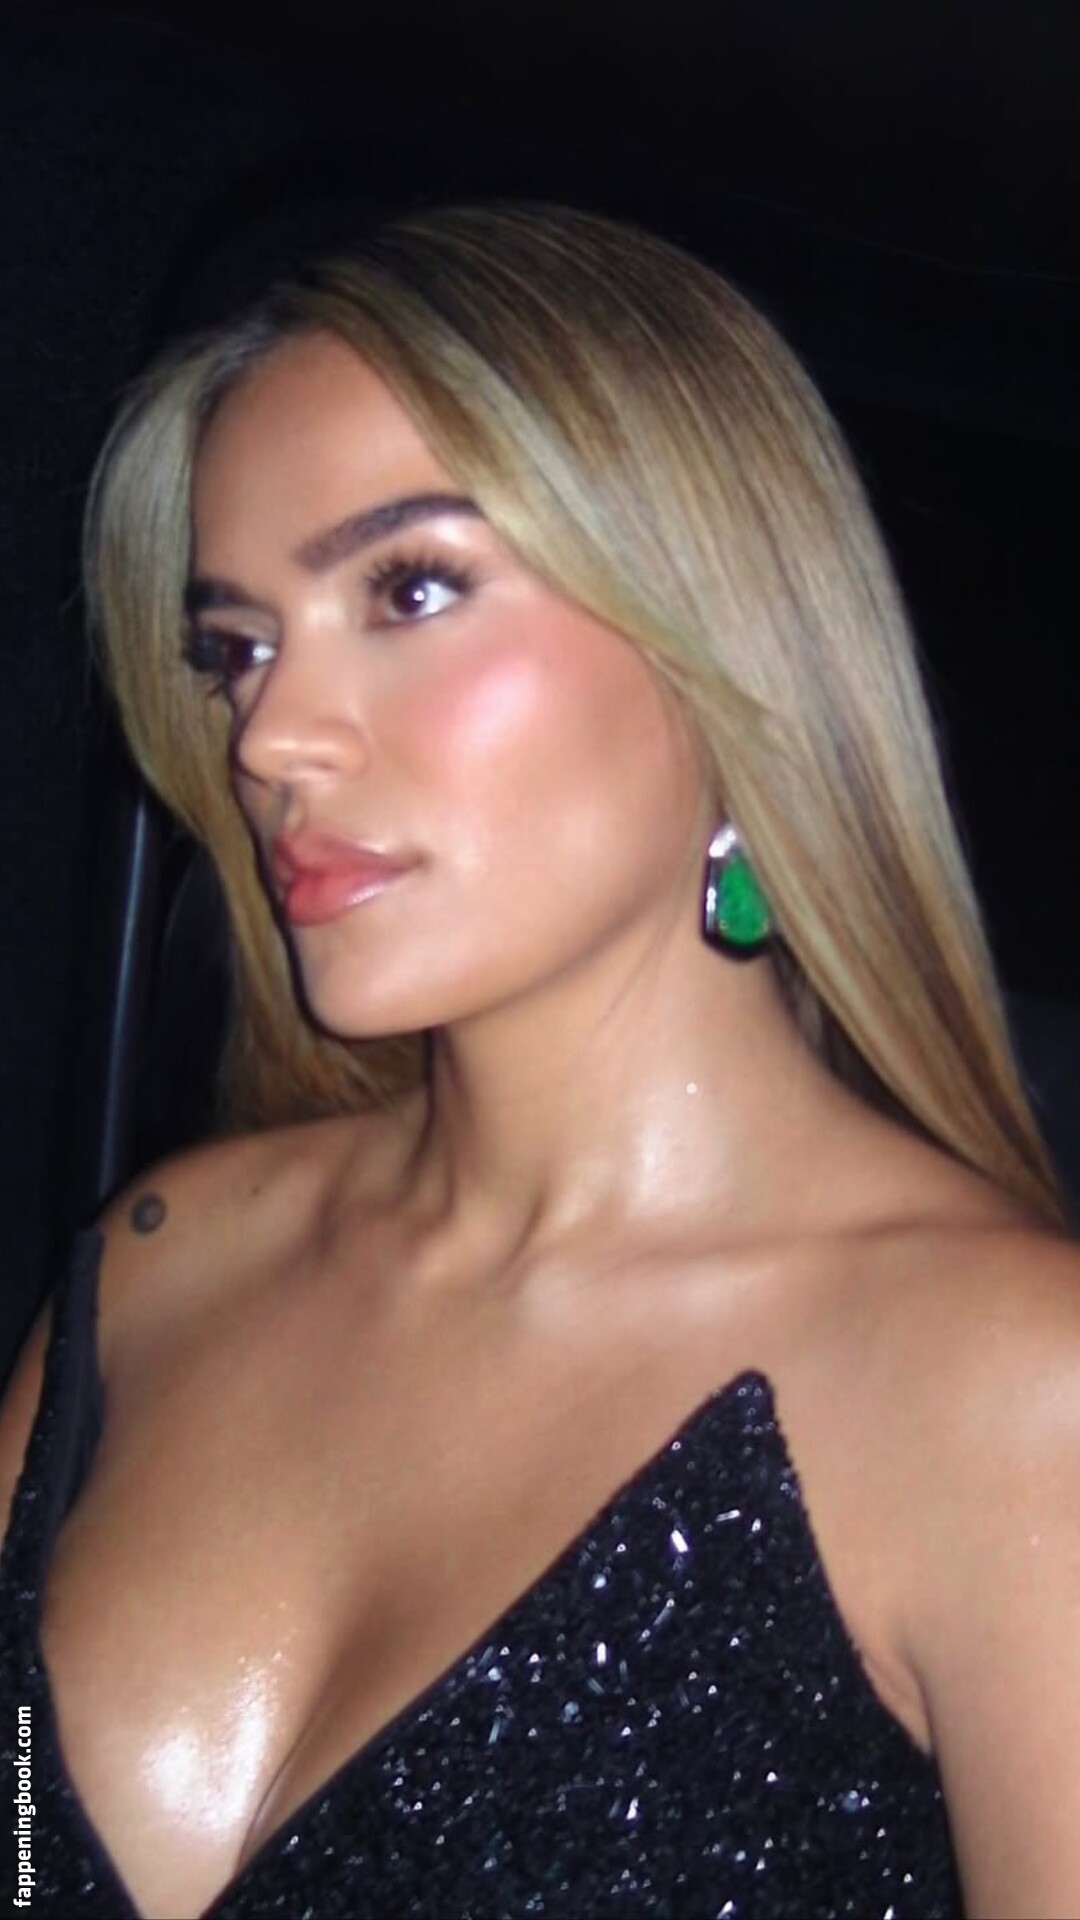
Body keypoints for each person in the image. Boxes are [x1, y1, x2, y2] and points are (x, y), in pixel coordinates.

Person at [1, 200, 1078, 1920]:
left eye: (409, 588)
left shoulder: (1015, 1390)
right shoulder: (160, 1272)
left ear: (719, 639)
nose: (271, 738)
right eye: (237, 646)